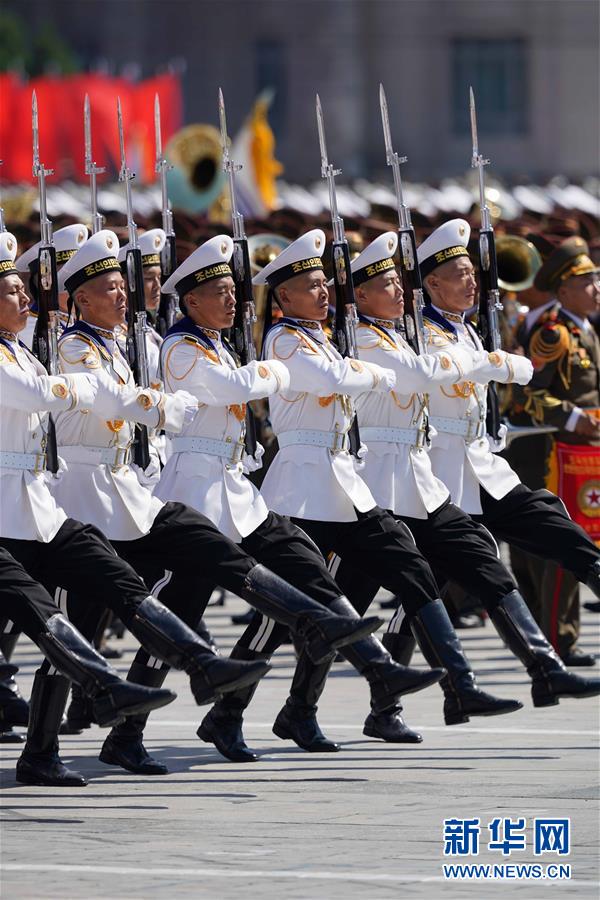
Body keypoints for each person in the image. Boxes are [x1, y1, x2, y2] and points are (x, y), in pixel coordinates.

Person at [103, 235, 445, 771]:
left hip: (238, 491)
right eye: (218, 292)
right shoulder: (180, 345)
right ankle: (127, 733)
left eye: (233, 291)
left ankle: (379, 669)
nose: (231, 301)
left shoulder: (219, 340)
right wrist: (276, 372)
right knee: (181, 615)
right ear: (190, 301)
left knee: (306, 571)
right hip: (195, 491)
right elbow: (229, 389)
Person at [0, 229, 316, 785]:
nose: (25, 298)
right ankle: (48, 742)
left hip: (81, 500)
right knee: (60, 620)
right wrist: (105, 395)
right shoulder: (65, 349)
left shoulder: (46, 349)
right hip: (63, 497)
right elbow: (44, 396)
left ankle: (209, 661)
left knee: (129, 588)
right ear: (80, 296)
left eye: (125, 285)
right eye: (109, 286)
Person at [200, 229, 527, 762]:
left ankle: (456, 684)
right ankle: (229, 714)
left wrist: (364, 366)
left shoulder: (328, 335)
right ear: (283, 297)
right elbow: (344, 379)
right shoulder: (284, 339)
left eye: (325, 281)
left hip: (346, 484)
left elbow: (369, 379)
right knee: (284, 617)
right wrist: (368, 371)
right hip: (302, 491)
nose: (325, 290)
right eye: (311, 285)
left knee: (408, 568)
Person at [411, 218, 600, 698]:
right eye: (460, 273)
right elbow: (446, 373)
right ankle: (386, 690)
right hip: (443, 477)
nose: (472, 280)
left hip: (486, 469)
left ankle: (545, 669)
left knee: (554, 523)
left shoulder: (468, 328)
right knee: (419, 590)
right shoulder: (422, 333)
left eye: (474, 271)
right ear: (432, 283)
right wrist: (503, 362)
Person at [0, 545, 177, 784]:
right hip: (53, 535)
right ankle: (39, 748)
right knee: (61, 632)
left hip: (90, 528)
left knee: (76, 629)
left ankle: (114, 729)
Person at [516, 235, 600, 664]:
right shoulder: (553, 334)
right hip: (561, 455)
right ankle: (557, 639)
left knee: (588, 541)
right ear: (564, 289)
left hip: (589, 452)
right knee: (568, 543)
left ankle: (566, 635)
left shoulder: (586, 331)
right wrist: (573, 418)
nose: (596, 289)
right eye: (587, 282)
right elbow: (531, 395)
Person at [16, 223, 88, 350]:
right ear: (45, 284)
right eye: (66, 279)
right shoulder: (31, 330)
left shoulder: (82, 320)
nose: (78, 284)